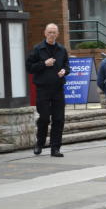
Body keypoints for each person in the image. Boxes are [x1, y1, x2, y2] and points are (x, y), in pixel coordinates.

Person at [25, 23, 70, 157]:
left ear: (58, 34)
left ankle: (55, 148)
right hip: (43, 88)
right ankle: (40, 143)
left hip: (58, 88)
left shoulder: (62, 49)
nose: (52, 35)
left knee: (58, 119)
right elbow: (29, 67)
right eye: (49, 32)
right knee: (44, 118)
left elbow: (67, 65)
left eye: (54, 32)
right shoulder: (38, 49)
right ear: (45, 33)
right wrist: (44, 64)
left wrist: (64, 71)